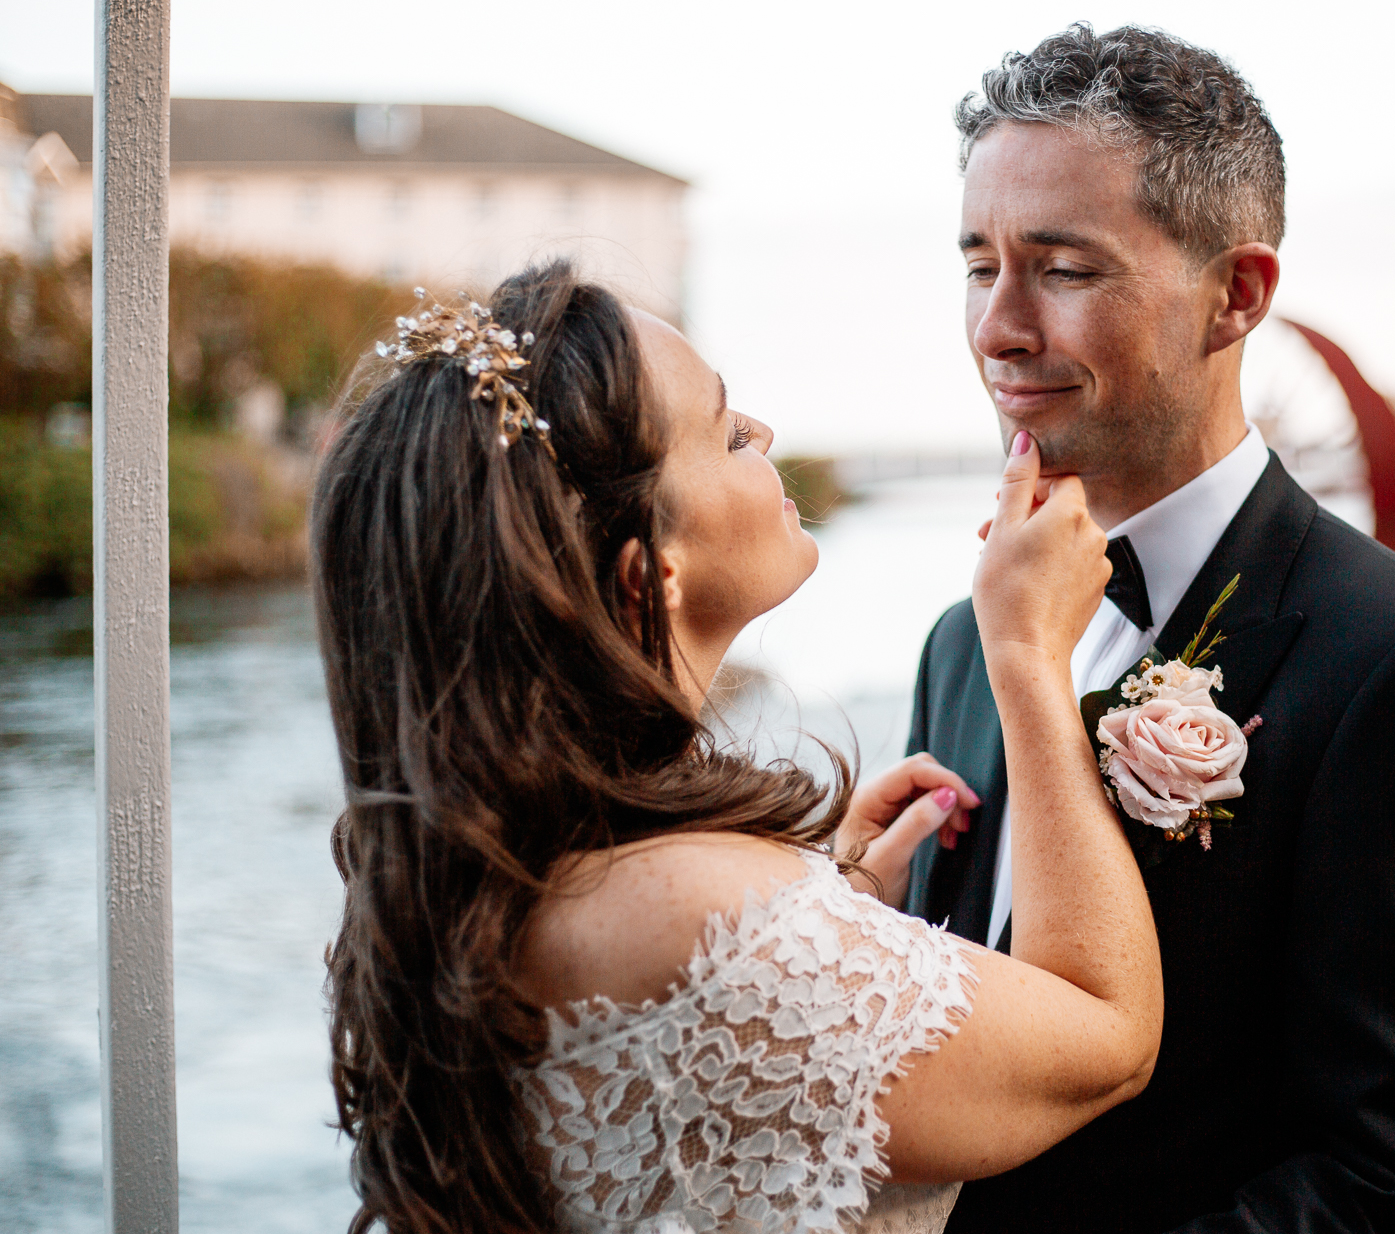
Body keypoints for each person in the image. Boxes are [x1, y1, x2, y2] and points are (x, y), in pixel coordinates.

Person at [313, 260, 1163, 1234]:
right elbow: (1108, 1037)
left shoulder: (504, 871)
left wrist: (830, 913)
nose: (763, 432)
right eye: (724, 431)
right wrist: (1026, 651)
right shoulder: (697, 916)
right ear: (652, 574)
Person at [905, 24, 1395, 1233]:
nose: (1000, 325)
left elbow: (1391, 1190)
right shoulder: (963, 643)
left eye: (1065, 268)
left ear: (1237, 295)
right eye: (979, 264)